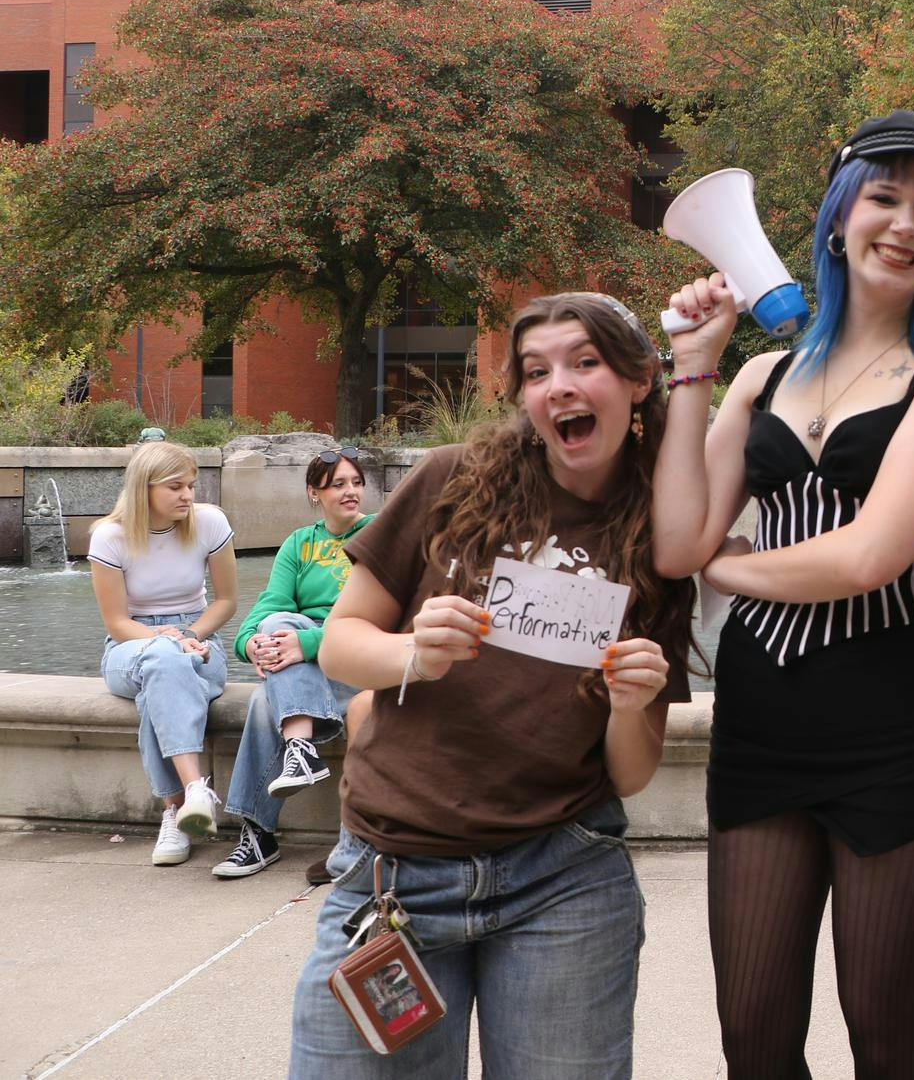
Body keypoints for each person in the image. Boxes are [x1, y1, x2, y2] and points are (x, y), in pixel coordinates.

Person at [655, 111, 914, 1078]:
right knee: (753, 1038)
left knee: (887, 1040)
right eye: (885, 197)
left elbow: (870, 558)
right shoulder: (761, 374)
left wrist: (725, 567)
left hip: (895, 727)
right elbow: (676, 535)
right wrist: (695, 361)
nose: (906, 223)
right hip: (761, 726)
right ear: (841, 216)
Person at [289, 293, 695, 1078]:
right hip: (392, 875)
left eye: (586, 363)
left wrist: (632, 702)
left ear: (640, 379)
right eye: (537, 372)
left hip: (563, 878)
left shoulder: (660, 532)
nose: (560, 386)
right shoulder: (454, 478)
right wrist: (413, 651)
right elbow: (340, 645)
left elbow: (633, 773)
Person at [211, 448, 374, 879]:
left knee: (270, 696)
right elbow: (265, 610)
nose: (351, 491)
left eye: (356, 482)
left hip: (358, 660)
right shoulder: (300, 543)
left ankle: (259, 831)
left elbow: (384, 617)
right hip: (303, 666)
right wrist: (252, 646)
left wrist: (308, 641)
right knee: (277, 628)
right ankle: (297, 754)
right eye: (338, 484)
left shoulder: (380, 534)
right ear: (313, 493)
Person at [88, 441, 238, 866]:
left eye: (191, 485)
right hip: (129, 644)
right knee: (161, 659)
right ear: (145, 488)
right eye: (175, 487)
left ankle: (176, 811)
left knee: (161, 677)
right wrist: (168, 640)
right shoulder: (110, 536)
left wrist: (188, 633)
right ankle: (195, 791)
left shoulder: (209, 523)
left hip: (201, 639)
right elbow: (117, 623)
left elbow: (226, 602)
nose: (188, 495)